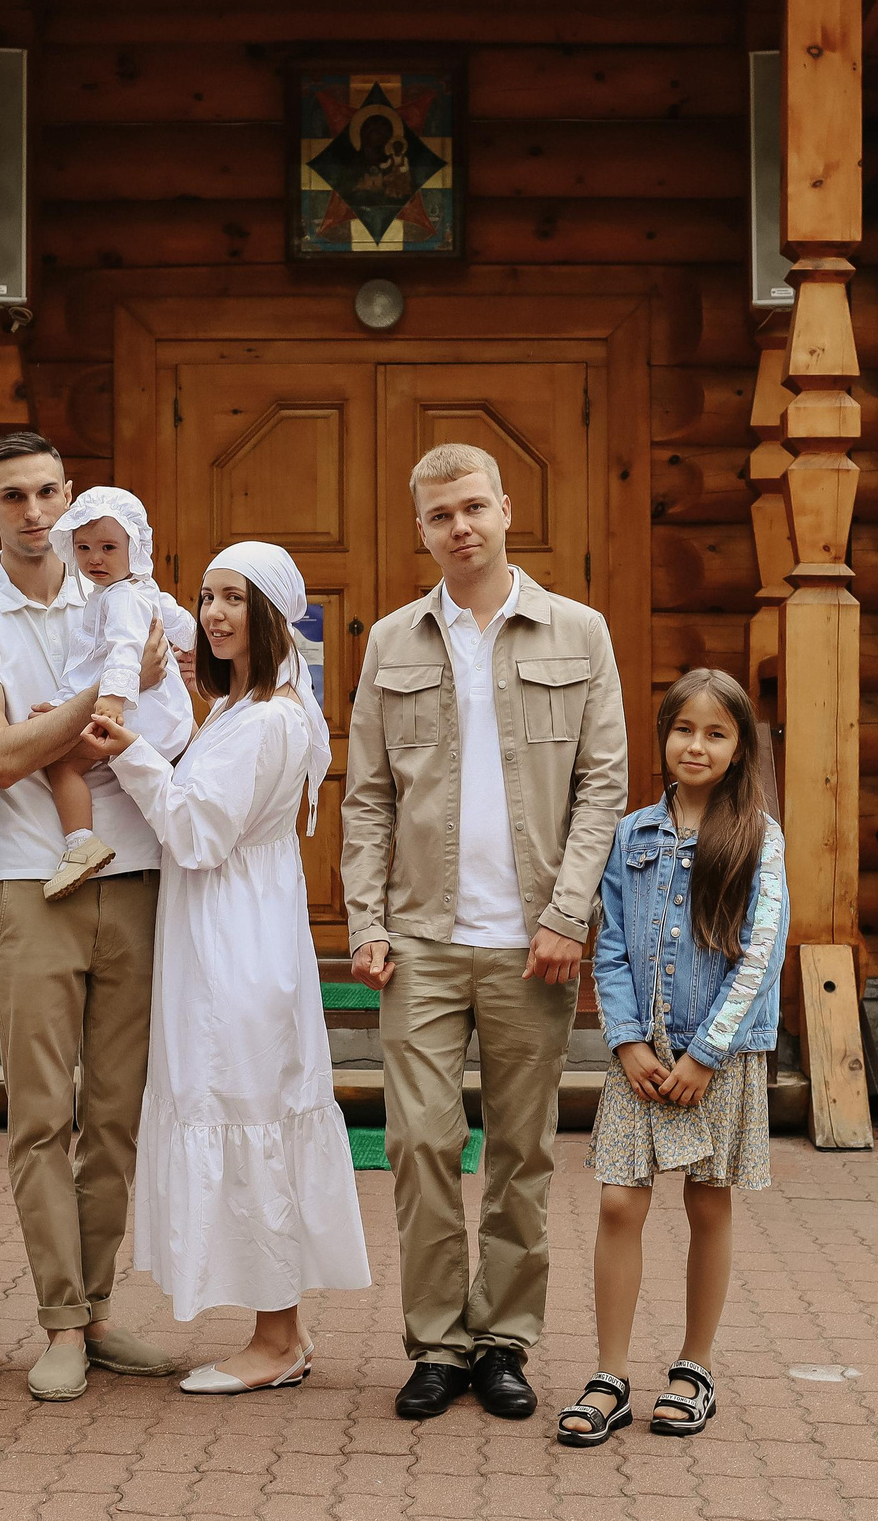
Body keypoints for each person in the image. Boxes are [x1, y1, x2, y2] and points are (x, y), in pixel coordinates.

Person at [342, 442, 630, 1422]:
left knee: (519, 1151)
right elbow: (368, 797)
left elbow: (602, 786)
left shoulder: (578, 633)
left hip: (531, 945)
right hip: (419, 942)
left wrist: (566, 915)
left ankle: (503, 1340)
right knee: (419, 1144)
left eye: (472, 507)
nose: (458, 527)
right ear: (419, 528)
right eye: (438, 516)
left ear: (507, 508)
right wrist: (367, 918)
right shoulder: (390, 643)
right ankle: (436, 1342)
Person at [0, 431, 189, 1402]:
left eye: (48, 493)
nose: (35, 513)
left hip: (135, 881)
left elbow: (176, 711)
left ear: (72, 496)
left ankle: (102, 1312)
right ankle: (60, 1323)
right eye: (13, 497)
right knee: (42, 1115)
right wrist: (112, 682)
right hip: (32, 885)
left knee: (117, 1114)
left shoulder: (120, 583)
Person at [75, 541, 371, 1394]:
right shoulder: (243, 707)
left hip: (234, 939)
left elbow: (198, 834)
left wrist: (130, 751)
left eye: (234, 598)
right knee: (252, 1111)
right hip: (229, 927)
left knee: (247, 1112)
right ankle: (285, 1329)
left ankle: (276, 1339)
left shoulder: (271, 717)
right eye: (207, 597)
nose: (214, 613)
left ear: (272, 614)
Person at [556, 669, 788, 1447]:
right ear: (663, 736)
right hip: (639, 1055)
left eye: (716, 732)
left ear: (739, 746)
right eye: (683, 728)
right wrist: (622, 1038)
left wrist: (706, 1054)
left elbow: (760, 954)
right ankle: (611, 1373)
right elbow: (611, 943)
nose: (697, 744)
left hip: (715, 1057)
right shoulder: (632, 835)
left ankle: (695, 1365)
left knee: (707, 1200)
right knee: (621, 1201)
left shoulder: (758, 835)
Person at [39, 486, 199, 900]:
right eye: (84, 547)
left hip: (134, 711)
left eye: (109, 547)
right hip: (156, 714)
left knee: (60, 763)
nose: (95, 558)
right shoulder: (143, 590)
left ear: (136, 547)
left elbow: (126, 651)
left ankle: (80, 844)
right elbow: (184, 627)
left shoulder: (124, 598)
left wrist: (110, 701)